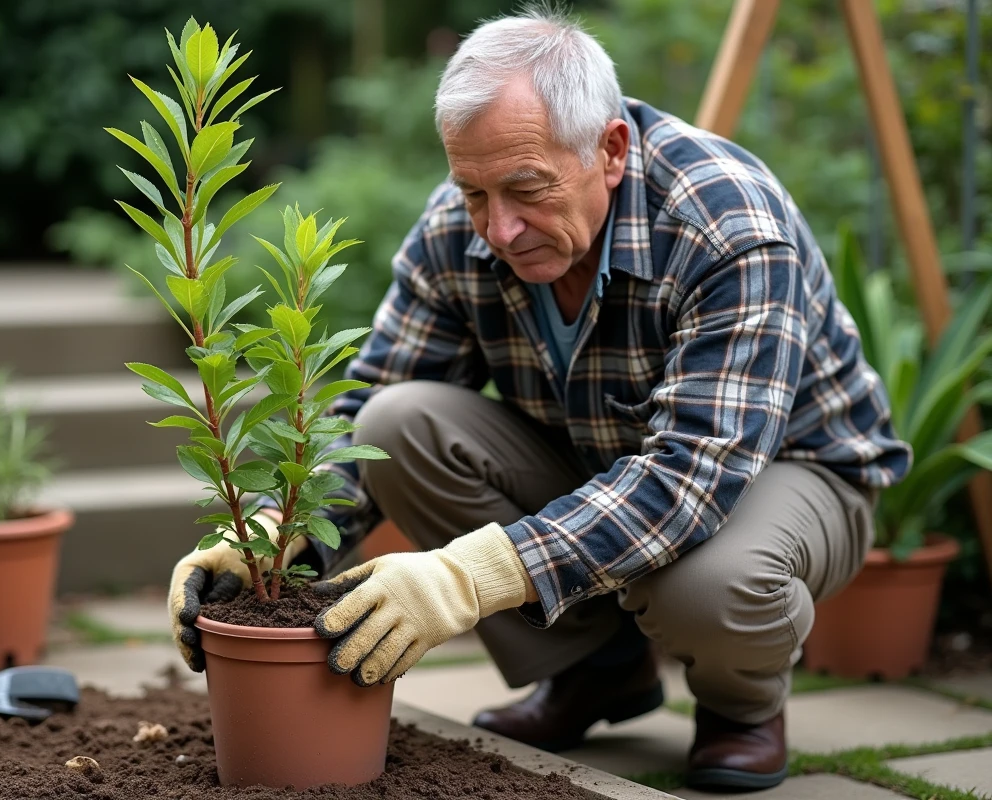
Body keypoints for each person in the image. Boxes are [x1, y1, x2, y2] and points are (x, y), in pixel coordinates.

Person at [168, 4, 911, 792]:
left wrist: (462, 580)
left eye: (526, 189)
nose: (500, 227)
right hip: (604, 462)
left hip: (791, 474)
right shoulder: (458, 228)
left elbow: (692, 479)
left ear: (612, 150)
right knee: (397, 423)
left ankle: (742, 705)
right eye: (475, 193)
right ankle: (598, 671)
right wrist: (279, 541)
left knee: (704, 583)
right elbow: (373, 403)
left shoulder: (725, 225)